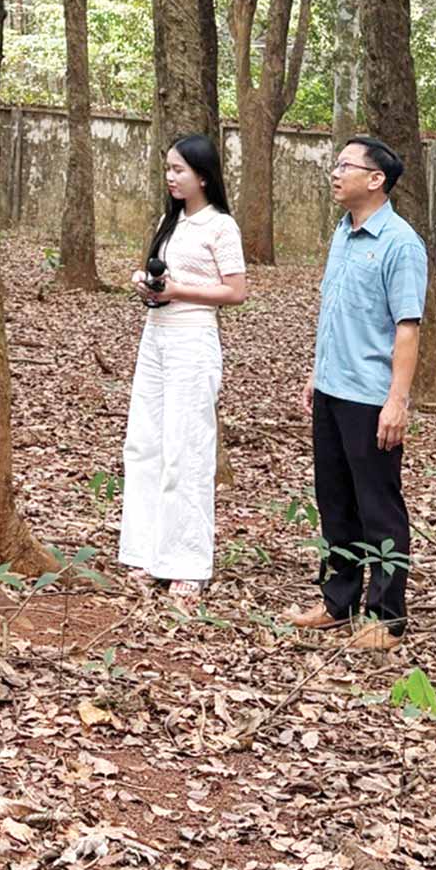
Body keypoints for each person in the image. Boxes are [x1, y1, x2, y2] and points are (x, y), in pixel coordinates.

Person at [287, 134, 426, 649]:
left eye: (346, 165)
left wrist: (397, 400)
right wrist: (315, 373)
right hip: (331, 389)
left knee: (378, 505)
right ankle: (337, 601)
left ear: (376, 180)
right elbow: (337, 314)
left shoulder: (400, 243)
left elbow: (407, 329)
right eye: (336, 163)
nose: (335, 172)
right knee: (335, 501)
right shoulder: (342, 234)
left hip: (371, 396)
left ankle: (387, 617)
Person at [119, 132, 249, 603]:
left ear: (202, 175)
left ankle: (187, 562)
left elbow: (235, 292)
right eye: (168, 170)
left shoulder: (220, 227)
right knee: (145, 441)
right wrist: (149, 284)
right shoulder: (169, 222)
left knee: (186, 446)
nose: (171, 178)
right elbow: (163, 278)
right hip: (156, 337)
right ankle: (145, 550)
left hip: (193, 339)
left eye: (178, 170)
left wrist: (180, 291)